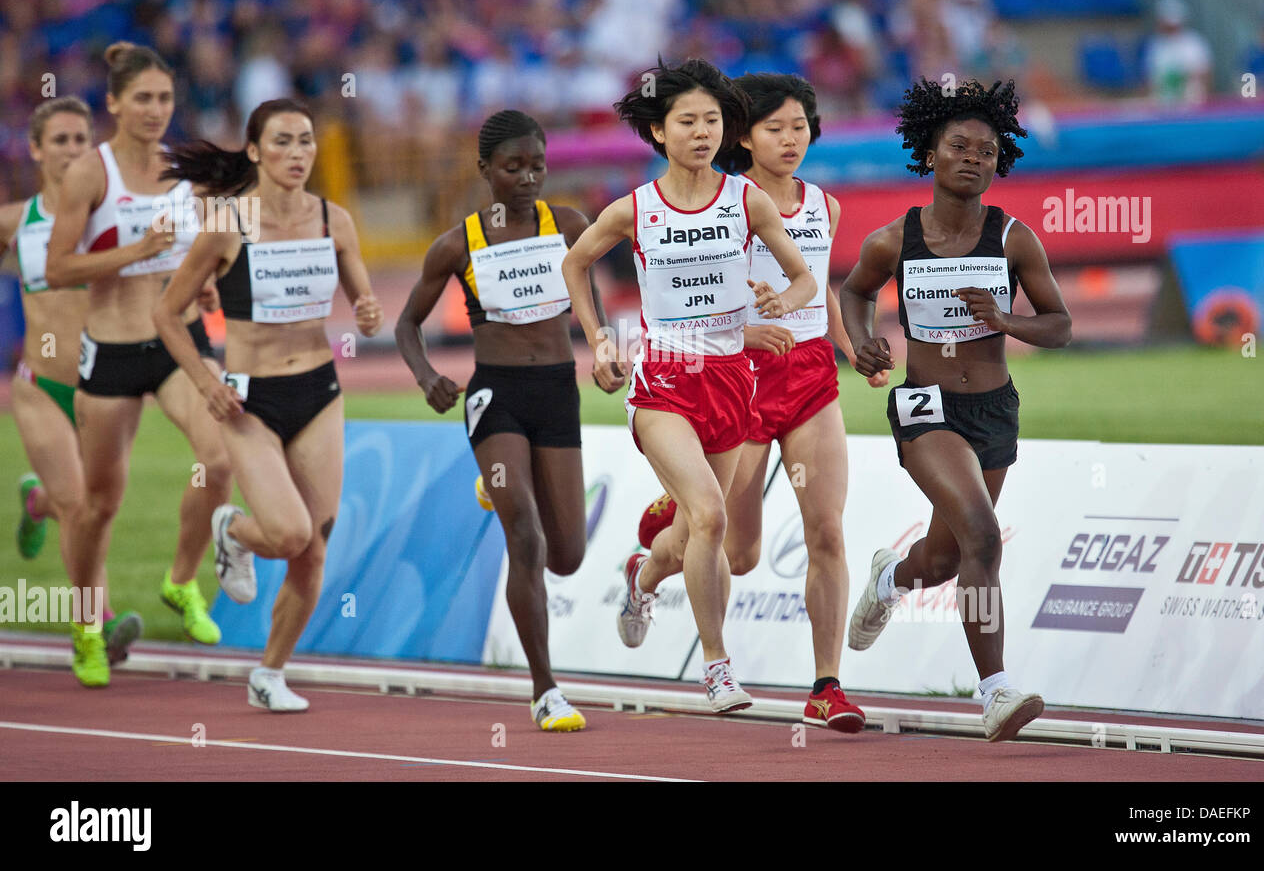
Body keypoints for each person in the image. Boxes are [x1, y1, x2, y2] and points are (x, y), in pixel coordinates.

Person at [561, 59, 817, 712]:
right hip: (664, 384)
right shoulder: (634, 209)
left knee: (690, 534)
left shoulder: (746, 199)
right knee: (709, 514)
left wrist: (779, 305)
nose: (703, 133)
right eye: (688, 121)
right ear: (657, 131)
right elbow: (575, 263)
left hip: (733, 381)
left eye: (712, 120)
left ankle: (641, 575)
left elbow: (804, 279)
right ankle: (718, 667)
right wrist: (597, 342)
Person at [643, 73, 891, 732]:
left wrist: (854, 349)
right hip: (739, 376)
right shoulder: (730, 203)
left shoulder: (824, 206)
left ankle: (826, 687)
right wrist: (740, 329)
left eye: (800, 127)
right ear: (743, 135)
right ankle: (650, 566)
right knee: (736, 549)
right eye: (774, 128)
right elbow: (689, 291)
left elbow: (823, 289)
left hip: (810, 380)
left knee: (828, 531)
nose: (790, 140)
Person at [840, 77, 1072, 742]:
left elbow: (1060, 324)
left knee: (942, 561)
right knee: (983, 532)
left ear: (1000, 164)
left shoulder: (1014, 240)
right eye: (959, 146)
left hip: (993, 408)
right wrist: (862, 343)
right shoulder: (893, 239)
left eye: (987, 151)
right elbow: (854, 293)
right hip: (923, 404)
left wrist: (1007, 321)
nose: (973, 158)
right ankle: (997, 692)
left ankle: (892, 576)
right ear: (930, 155)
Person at [154, 98, 383, 712]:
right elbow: (165, 313)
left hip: (318, 391)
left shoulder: (335, 219)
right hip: (248, 399)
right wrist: (205, 381)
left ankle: (270, 674)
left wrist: (366, 310)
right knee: (286, 533)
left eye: (306, 141)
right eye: (282, 142)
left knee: (314, 548)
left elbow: (361, 293)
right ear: (254, 151)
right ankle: (232, 529)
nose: (298, 154)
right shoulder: (229, 223)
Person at [396, 110, 617, 732]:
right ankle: (546, 690)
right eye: (512, 167)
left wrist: (602, 347)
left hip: (556, 393)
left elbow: (590, 301)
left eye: (537, 166)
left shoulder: (569, 225)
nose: (526, 178)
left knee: (567, 556)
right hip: (495, 395)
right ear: (485, 171)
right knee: (526, 536)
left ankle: (499, 484)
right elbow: (406, 324)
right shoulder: (458, 242)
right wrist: (426, 375)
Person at [45, 43, 233, 687]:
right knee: (100, 504)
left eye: (165, 99)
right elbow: (58, 269)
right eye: (144, 99)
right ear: (114, 103)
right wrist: (133, 252)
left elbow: (209, 243)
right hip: (112, 351)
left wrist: (203, 280)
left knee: (221, 455)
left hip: (178, 342)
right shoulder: (89, 174)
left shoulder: (187, 168)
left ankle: (181, 583)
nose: (156, 110)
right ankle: (88, 627)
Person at [0, 97, 143, 672]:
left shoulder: (113, 218)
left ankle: (35, 502)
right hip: (41, 386)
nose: (70, 150)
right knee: (82, 504)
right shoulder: (15, 220)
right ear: (35, 149)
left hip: (103, 387)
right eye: (58, 140)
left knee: (93, 508)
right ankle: (97, 628)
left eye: (81, 140)